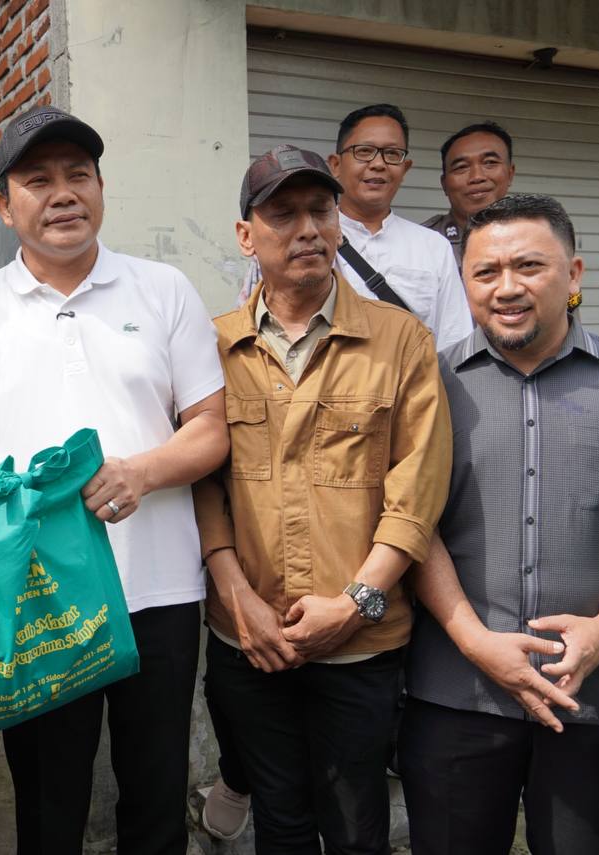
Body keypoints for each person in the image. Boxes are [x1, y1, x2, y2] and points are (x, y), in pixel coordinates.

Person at [0, 105, 228, 854]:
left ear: (101, 188)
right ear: (3, 204)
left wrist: (141, 471)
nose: (63, 195)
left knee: (156, 798)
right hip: (36, 599)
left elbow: (211, 428)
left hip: (157, 590)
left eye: (78, 175)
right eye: (38, 180)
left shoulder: (164, 290)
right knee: (48, 806)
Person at [192, 144, 451, 854]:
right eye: (283, 214)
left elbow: (418, 488)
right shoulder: (213, 347)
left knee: (357, 824)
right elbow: (205, 486)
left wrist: (356, 602)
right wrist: (238, 598)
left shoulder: (400, 339)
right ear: (246, 235)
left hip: (360, 644)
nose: (307, 228)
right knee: (280, 820)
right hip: (247, 639)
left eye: (320, 210)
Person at [400, 193, 599, 855]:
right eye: (485, 272)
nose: (507, 287)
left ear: (573, 273)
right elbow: (410, 521)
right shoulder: (429, 385)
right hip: (455, 694)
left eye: (528, 266)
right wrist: (473, 639)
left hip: (595, 695)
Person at [327, 103, 472, 350]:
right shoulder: (309, 238)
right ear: (336, 165)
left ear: (405, 168)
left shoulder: (434, 247)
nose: (378, 164)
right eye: (364, 151)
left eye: (392, 154)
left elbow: (454, 344)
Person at [421, 121, 516, 266]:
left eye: (489, 162)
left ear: (510, 174)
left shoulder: (537, 236)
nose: (477, 177)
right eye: (461, 167)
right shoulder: (421, 243)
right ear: (444, 184)